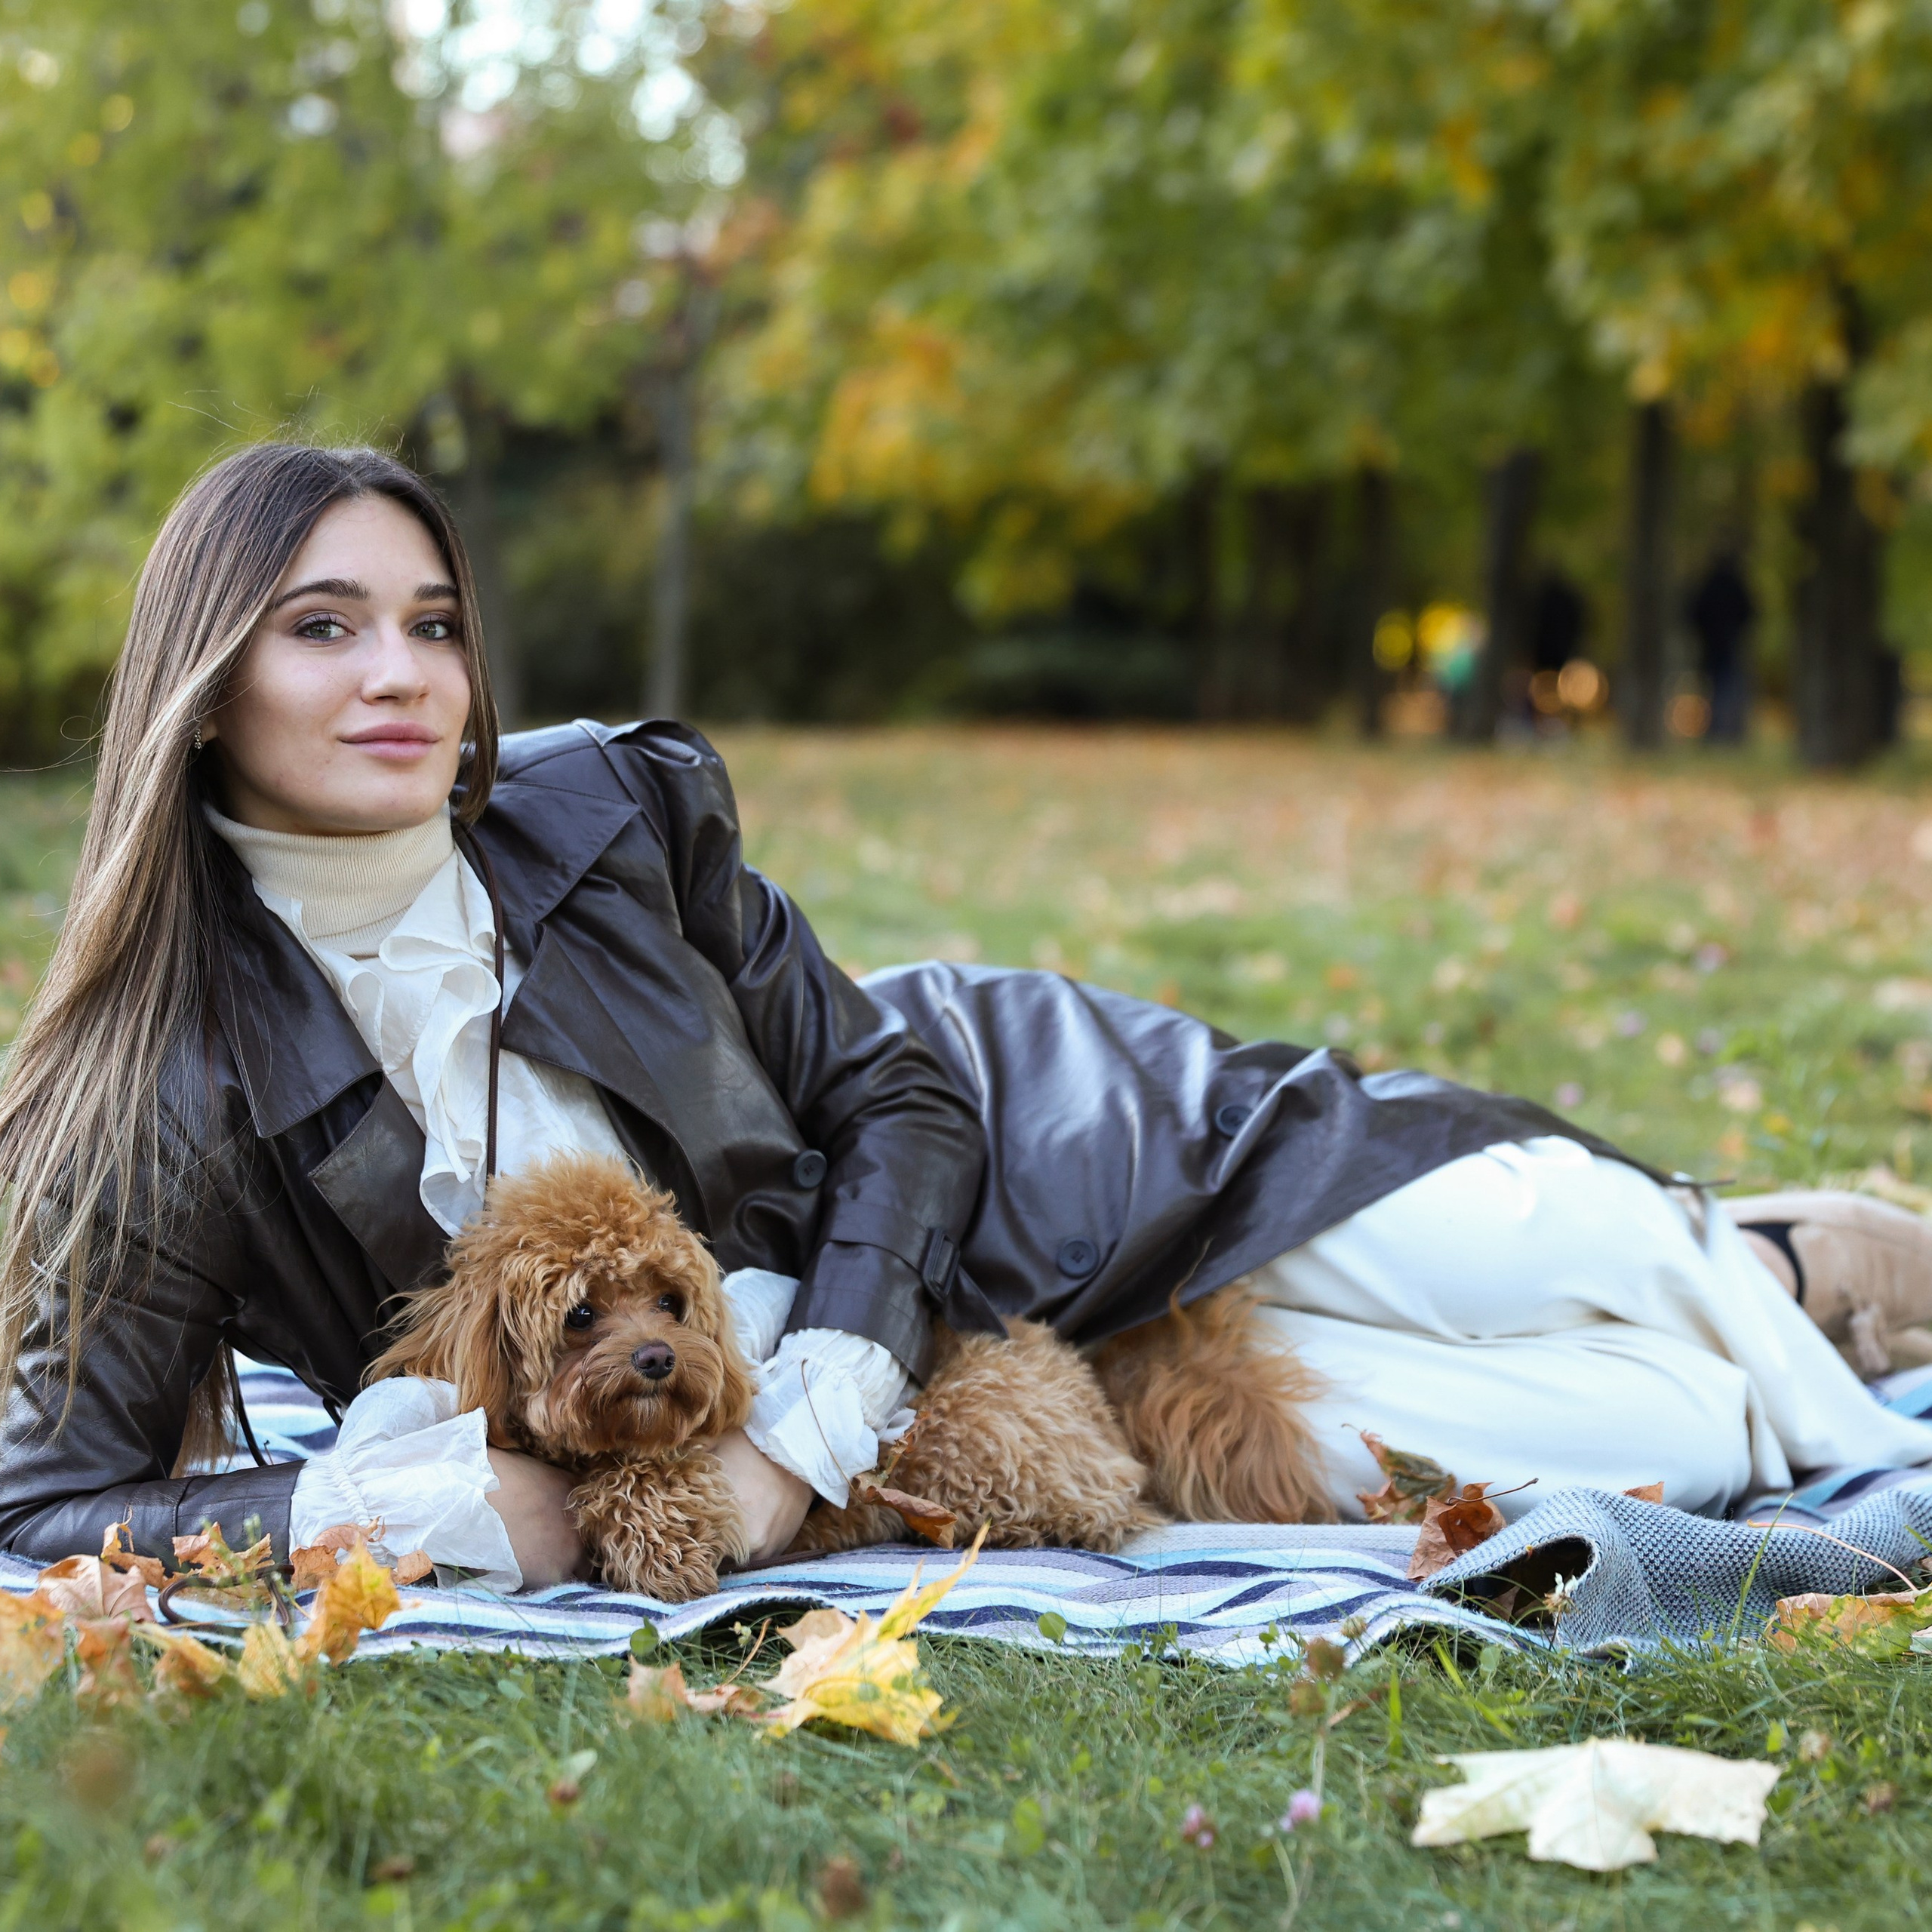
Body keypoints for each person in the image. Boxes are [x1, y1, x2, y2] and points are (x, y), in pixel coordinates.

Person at [4, 442, 1931, 1589]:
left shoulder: (601, 801)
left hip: (1044, 1149)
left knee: (1571, 1242)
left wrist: (797, 1436)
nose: (403, 671)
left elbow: (892, 1090)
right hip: (989, 1382)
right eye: (322, 625)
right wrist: (411, 1500)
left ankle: (1776, 1234)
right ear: (205, 679)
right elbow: (50, 1496)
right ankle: (1760, 1283)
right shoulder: (159, 1086)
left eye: (430, 618)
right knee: (1673, 1419)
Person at [1684, 550, 1756, 744]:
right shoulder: (1735, 585)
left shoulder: (1709, 585)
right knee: (1729, 688)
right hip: (1729, 644)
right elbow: (1748, 612)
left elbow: (1695, 612)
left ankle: (1716, 733)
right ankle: (1728, 733)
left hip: (1712, 645)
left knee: (1714, 690)